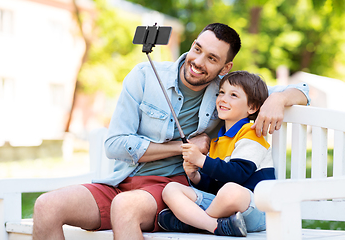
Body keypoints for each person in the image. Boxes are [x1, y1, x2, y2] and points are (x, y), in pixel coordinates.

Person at [32, 23, 310, 240]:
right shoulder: (144, 75)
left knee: (125, 207)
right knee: (46, 206)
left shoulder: (226, 92)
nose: (198, 61)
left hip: (170, 189)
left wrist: (278, 99)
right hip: (121, 180)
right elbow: (114, 144)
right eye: (197, 48)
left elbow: (302, 92)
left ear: (225, 68)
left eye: (212, 58)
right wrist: (182, 147)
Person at [158, 71, 273, 237]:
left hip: (256, 209)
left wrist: (202, 160)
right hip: (224, 211)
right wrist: (195, 175)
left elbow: (237, 174)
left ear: (252, 107)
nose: (223, 99)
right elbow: (213, 186)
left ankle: (194, 222)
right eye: (221, 92)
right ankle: (212, 225)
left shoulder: (251, 132)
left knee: (231, 190)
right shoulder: (217, 141)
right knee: (171, 189)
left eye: (233, 95)